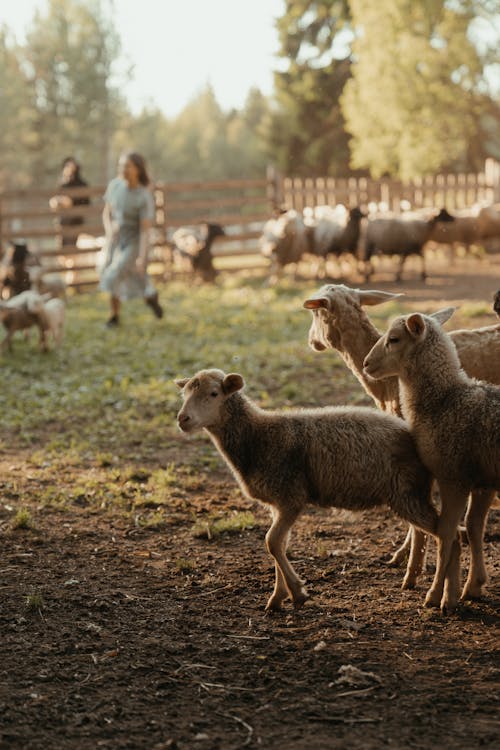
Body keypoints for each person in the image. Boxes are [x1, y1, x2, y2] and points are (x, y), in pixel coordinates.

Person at [100, 152, 163, 326]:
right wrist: (109, 228)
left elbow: (145, 231)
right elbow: (107, 213)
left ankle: (147, 295)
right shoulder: (114, 186)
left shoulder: (143, 196)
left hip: (135, 240)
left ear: (137, 169)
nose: (123, 169)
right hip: (116, 238)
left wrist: (142, 257)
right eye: (121, 165)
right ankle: (118, 313)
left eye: (127, 166)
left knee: (116, 273)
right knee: (119, 272)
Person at [49, 157, 90, 245]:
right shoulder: (62, 184)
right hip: (63, 222)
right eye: (67, 166)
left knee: (73, 248)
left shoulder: (82, 184)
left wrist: (71, 202)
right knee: (62, 248)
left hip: (76, 221)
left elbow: (86, 203)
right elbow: (55, 199)